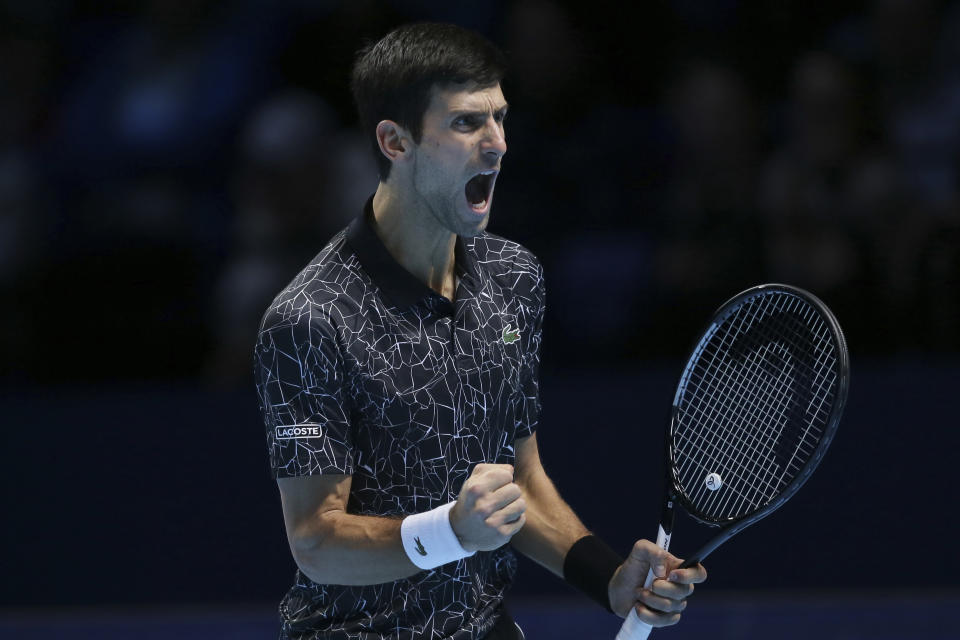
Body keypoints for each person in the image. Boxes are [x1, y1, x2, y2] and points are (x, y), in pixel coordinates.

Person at [253, 22, 706, 640]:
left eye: (500, 118)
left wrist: (606, 577)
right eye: (467, 123)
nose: (497, 145)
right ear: (395, 141)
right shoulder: (310, 318)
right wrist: (450, 533)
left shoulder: (514, 278)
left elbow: (518, 483)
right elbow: (316, 541)